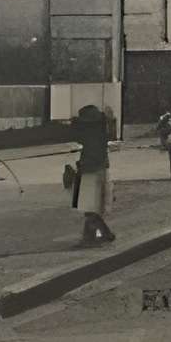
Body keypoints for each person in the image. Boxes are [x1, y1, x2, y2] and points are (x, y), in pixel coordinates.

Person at [68, 102, 116, 245]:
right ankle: (101, 235)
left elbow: (91, 154)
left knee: (89, 208)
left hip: (92, 171)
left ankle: (96, 236)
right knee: (90, 208)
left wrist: (81, 166)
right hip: (96, 170)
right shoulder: (100, 132)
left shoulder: (92, 135)